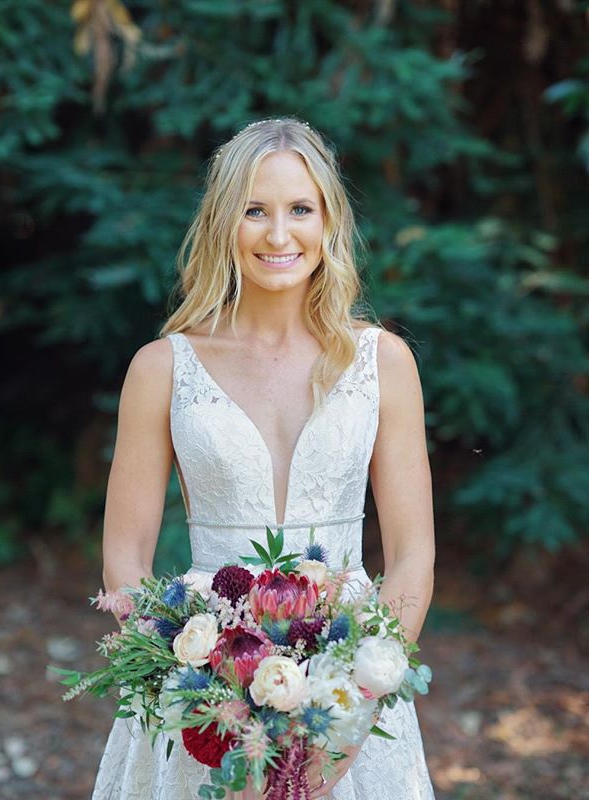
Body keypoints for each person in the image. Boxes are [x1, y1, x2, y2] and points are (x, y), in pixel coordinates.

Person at [92, 117, 435, 799]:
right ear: (224, 222)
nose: (279, 235)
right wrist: (202, 708)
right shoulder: (162, 369)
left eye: (300, 209)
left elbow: (412, 555)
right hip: (199, 685)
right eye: (255, 211)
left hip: (350, 682)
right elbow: (124, 560)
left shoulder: (384, 363)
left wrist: (352, 711)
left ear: (329, 220)